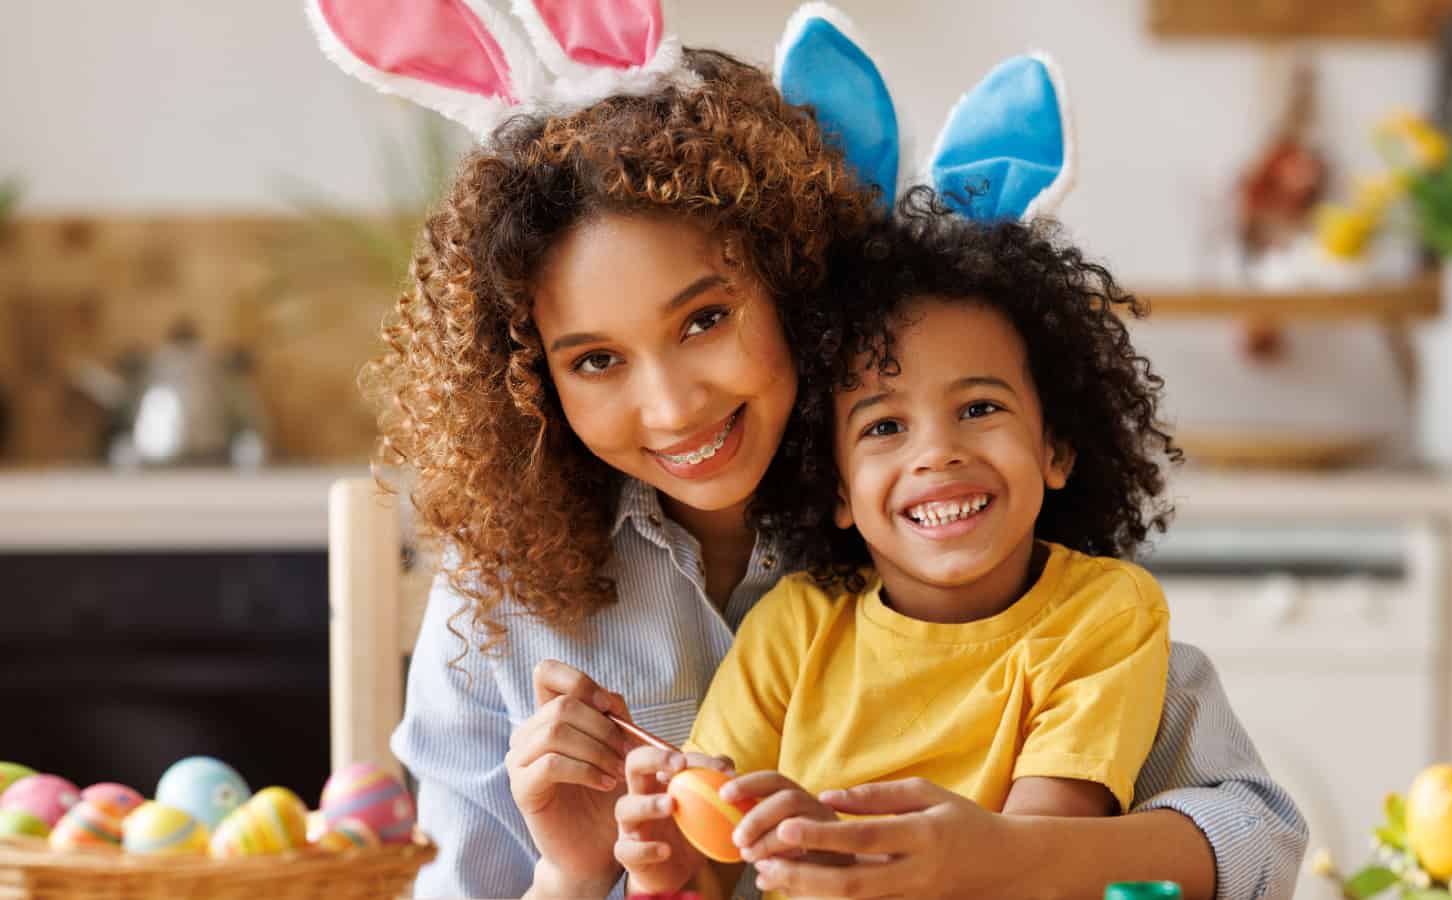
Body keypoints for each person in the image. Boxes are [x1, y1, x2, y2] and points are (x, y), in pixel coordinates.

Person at [308, 3, 1307, 898]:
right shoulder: (501, 606)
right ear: (532, 384)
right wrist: (574, 872)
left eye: (704, 321)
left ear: (787, 283)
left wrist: (1010, 855)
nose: (671, 406)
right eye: (596, 360)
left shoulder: (936, 516)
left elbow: (1254, 830)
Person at [615, 192, 1175, 898]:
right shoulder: (793, 628)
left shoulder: (1102, 611)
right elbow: (712, 860)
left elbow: (1038, 853)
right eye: (883, 428)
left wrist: (847, 851)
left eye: (979, 409)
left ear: (1056, 449)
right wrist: (665, 867)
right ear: (839, 489)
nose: (937, 453)